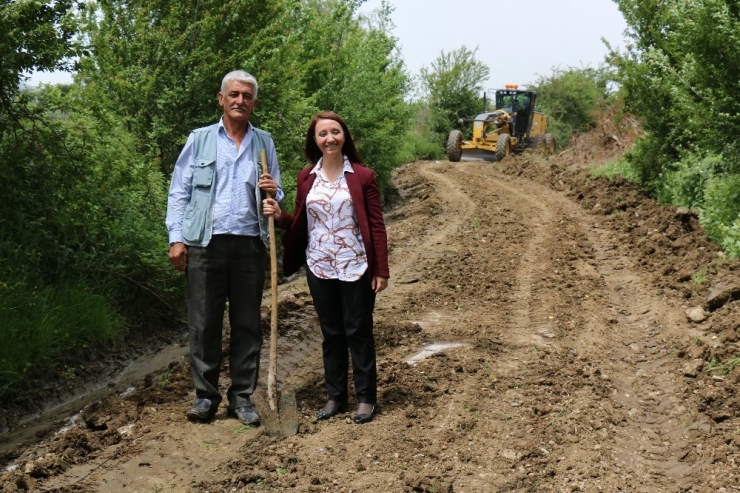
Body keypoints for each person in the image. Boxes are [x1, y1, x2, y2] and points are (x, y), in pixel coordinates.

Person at [165, 70, 283, 426]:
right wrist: (176, 237)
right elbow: (179, 191)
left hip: (249, 244)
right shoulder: (200, 140)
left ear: (254, 103)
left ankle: (242, 398)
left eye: (247, 96)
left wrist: (272, 195)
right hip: (205, 243)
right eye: (234, 94)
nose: (240, 101)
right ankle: (205, 397)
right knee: (204, 323)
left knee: (247, 323)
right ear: (221, 98)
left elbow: (277, 194)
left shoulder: (264, 143)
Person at [263, 111, 389, 424]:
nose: (329, 138)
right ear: (315, 140)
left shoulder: (363, 176)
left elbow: (376, 225)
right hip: (318, 266)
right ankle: (335, 396)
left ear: (344, 135)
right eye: (323, 134)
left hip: (356, 265)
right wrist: (280, 217)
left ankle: (365, 398)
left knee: (357, 331)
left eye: (335, 132)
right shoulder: (306, 177)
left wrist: (381, 269)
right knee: (331, 333)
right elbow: (302, 224)